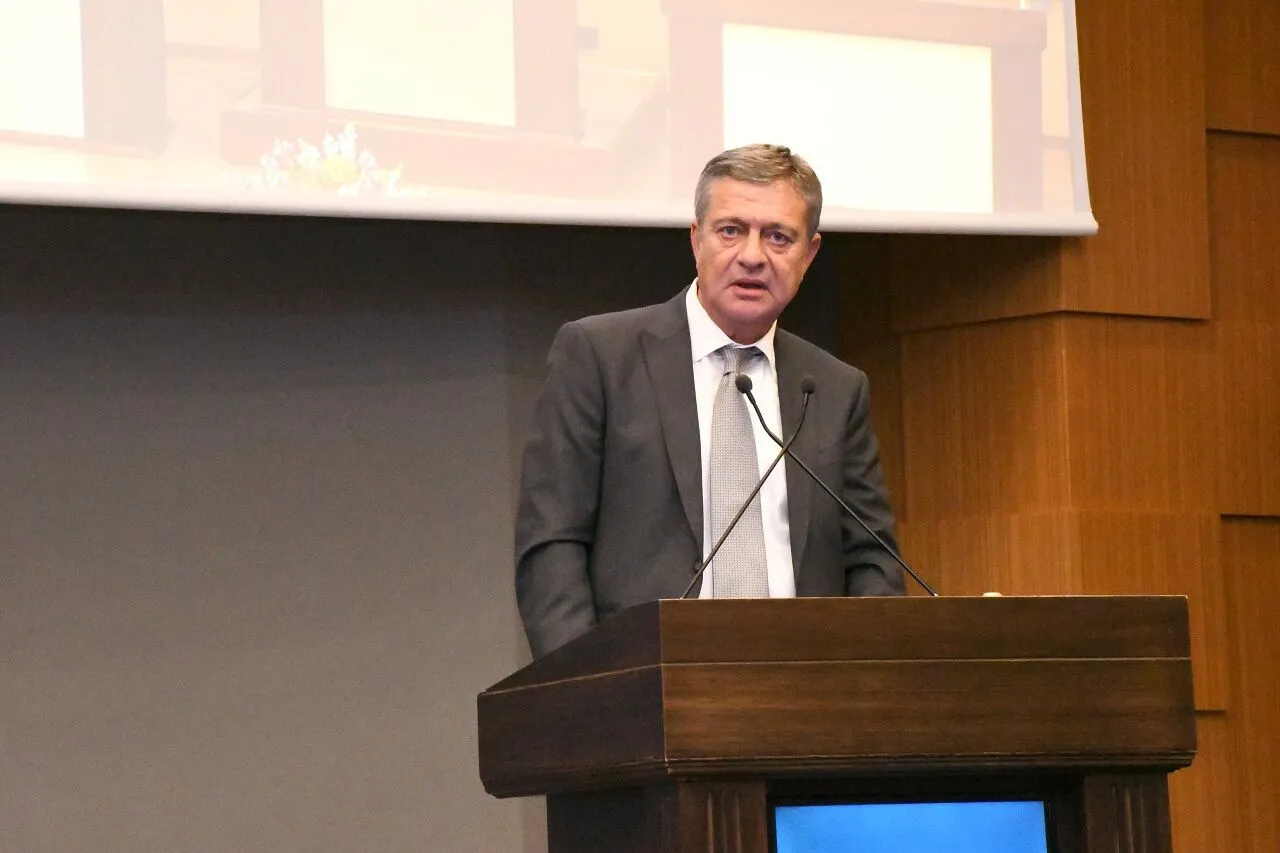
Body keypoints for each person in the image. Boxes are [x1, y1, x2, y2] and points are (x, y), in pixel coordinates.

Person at [514, 144, 904, 659]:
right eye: (731, 230)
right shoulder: (601, 356)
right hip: (642, 681)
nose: (753, 256)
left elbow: (873, 561)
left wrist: (865, 674)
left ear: (809, 255)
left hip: (802, 683)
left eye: (778, 236)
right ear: (696, 239)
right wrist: (589, 681)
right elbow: (552, 543)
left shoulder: (834, 387)